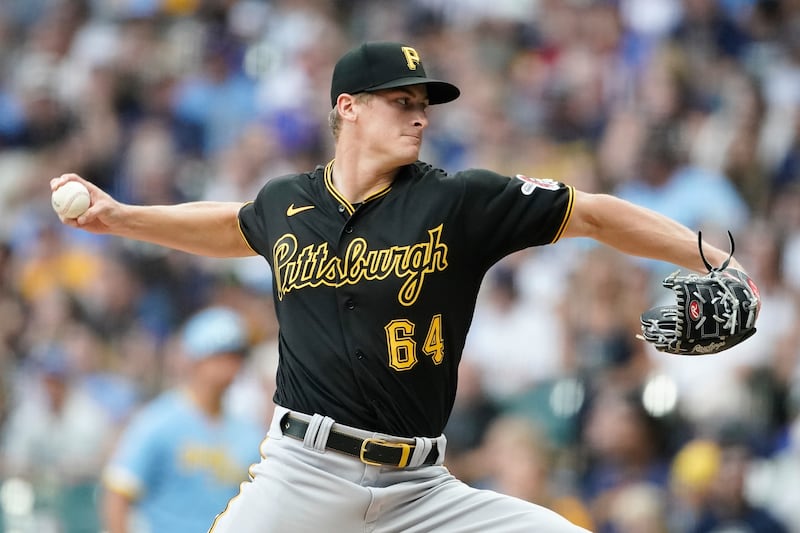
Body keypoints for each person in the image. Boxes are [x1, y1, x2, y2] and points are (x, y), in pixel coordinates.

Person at [52, 41, 754, 532]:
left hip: (423, 491)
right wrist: (121, 216)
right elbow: (231, 225)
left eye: (425, 102)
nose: (420, 114)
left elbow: (595, 212)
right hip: (303, 475)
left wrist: (710, 258)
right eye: (401, 101)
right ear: (348, 107)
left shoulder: (460, 200)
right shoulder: (286, 202)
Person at [100, 306, 264, 533]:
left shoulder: (248, 430)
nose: (232, 366)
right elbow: (118, 490)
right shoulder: (158, 421)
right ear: (197, 360)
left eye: (237, 357)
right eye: (223, 356)